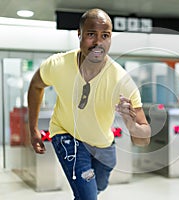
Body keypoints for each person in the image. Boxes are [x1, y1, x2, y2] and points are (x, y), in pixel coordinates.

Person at [27, 8, 151, 200]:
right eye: (91, 34)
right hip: (67, 135)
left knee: (98, 186)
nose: (98, 42)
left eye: (105, 35)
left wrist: (131, 125)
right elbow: (36, 85)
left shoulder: (122, 81)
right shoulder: (58, 64)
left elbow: (144, 138)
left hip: (103, 146)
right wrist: (33, 128)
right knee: (88, 196)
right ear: (80, 34)